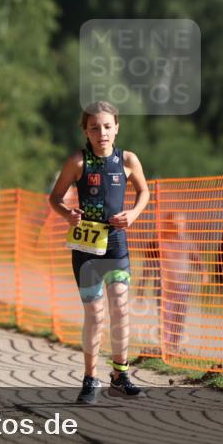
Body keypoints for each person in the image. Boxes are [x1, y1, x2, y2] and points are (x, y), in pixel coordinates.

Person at [48, 101, 151, 404]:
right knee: (95, 316)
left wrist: (132, 214)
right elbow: (55, 198)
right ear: (86, 131)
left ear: (117, 127)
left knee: (120, 307)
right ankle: (90, 378)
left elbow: (144, 191)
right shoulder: (78, 162)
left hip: (117, 244)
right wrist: (67, 213)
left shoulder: (128, 160)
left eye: (107, 126)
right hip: (87, 248)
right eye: (94, 127)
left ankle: (120, 375)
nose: (101, 132)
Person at [159, 211, 201, 352]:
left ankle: (175, 345)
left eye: (181, 222)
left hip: (183, 284)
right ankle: (166, 344)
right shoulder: (161, 241)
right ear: (169, 224)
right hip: (166, 284)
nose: (178, 225)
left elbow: (196, 258)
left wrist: (203, 272)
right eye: (175, 222)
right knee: (167, 315)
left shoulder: (187, 241)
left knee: (179, 315)